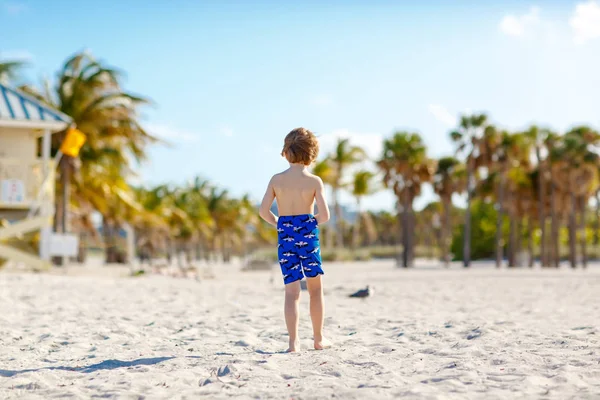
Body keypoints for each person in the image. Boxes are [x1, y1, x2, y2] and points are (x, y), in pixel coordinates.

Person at [259, 127, 331, 352]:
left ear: (286, 152)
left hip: (286, 236)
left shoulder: (276, 180)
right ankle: (318, 339)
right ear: (312, 154)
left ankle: (293, 342)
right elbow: (326, 216)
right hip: (308, 236)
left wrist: (281, 223)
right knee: (315, 290)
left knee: (291, 292)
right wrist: (308, 223)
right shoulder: (314, 181)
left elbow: (263, 212)